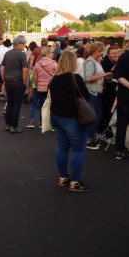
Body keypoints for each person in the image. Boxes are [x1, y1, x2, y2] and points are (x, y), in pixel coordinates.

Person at [49, 51, 92, 192]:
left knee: (62, 148)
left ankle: (63, 177)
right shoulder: (75, 78)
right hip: (72, 118)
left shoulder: (54, 79)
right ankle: (75, 182)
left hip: (56, 116)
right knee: (78, 150)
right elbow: (87, 96)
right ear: (73, 62)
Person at [83, 42, 109, 150]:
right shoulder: (90, 62)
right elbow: (88, 78)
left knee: (97, 116)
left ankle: (90, 138)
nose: (101, 53)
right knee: (95, 117)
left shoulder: (96, 61)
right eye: (100, 51)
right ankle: (88, 140)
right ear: (94, 51)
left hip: (97, 92)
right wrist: (104, 75)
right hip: (92, 92)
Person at [1, 37, 28, 133]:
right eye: (23, 44)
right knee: (16, 104)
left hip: (8, 81)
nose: (24, 46)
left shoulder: (7, 53)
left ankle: (7, 124)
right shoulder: (22, 54)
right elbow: (25, 70)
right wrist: (24, 82)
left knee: (10, 103)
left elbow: (2, 68)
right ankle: (14, 126)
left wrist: (4, 79)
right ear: (19, 44)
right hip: (18, 81)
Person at [27, 46, 57, 129]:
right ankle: (42, 123)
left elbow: (35, 78)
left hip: (39, 87)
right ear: (47, 53)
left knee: (34, 104)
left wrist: (38, 84)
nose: (53, 54)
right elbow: (56, 76)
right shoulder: (54, 64)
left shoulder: (38, 64)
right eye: (52, 53)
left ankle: (31, 121)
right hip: (49, 88)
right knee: (45, 106)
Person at [98, 46, 119, 139]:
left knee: (109, 112)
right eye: (113, 53)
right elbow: (108, 74)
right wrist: (117, 64)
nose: (115, 55)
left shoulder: (115, 61)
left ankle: (103, 132)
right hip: (106, 91)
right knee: (107, 112)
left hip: (113, 91)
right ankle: (108, 134)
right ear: (108, 54)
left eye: (116, 53)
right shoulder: (104, 62)